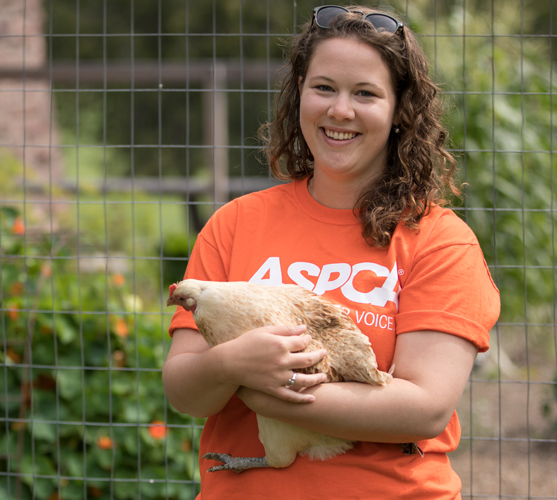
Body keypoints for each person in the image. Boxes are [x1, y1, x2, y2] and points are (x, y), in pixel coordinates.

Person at [162, 5, 500, 499]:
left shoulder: (439, 241)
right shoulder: (235, 225)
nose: (340, 110)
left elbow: (423, 408)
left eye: (365, 93)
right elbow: (184, 390)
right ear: (299, 92)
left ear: (400, 110)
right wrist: (231, 366)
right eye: (324, 88)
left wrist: (263, 392)